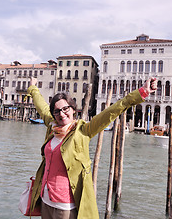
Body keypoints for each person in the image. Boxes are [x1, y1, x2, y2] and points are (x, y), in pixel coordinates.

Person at [27, 77, 157, 219]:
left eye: (65, 109)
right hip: (45, 200)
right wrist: (33, 87)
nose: (61, 114)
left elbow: (112, 112)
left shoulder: (83, 130)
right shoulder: (52, 127)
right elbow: (41, 105)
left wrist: (142, 92)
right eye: (57, 111)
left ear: (73, 109)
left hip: (65, 206)